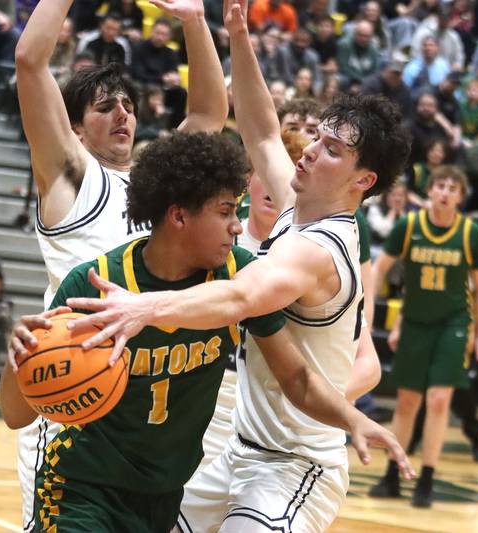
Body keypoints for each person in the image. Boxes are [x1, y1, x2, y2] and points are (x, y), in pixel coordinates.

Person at [65, 2, 414, 530]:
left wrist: (144, 307)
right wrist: (237, 33)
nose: (312, 150)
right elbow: (263, 131)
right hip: (235, 451)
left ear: (363, 181)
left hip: (294, 466)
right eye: (318, 137)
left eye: (333, 150)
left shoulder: (322, 250)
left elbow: (240, 297)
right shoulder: (299, 206)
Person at [0, 132, 409, 531]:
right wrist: (20, 357)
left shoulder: (237, 274)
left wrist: (351, 419)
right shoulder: (97, 283)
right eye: (226, 211)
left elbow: (297, 378)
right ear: (179, 215)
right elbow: (16, 414)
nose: (238, 225)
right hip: (82, 489)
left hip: (165, 498)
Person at [13, 0, 228, 527]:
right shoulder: (71, 176)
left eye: (129, 105)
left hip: (149, 410)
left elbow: (207, 115)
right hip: (78, 392)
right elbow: (29, 62)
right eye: (106, 106)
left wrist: (195, 20)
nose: (123, 114)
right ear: (76, 130)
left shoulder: (157, 185)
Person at [368, 165, 478, 508]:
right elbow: (378, 268)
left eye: (453, 187)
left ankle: (427, 477)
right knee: (408, 401)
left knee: (439, 399)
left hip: (452, 323)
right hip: (414, 322)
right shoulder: (409, 226)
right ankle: (393, 474)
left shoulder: (470, 234)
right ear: (430, 190)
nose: (445, 192)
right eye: (440, 185)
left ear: (460, 196)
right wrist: (369, 315)